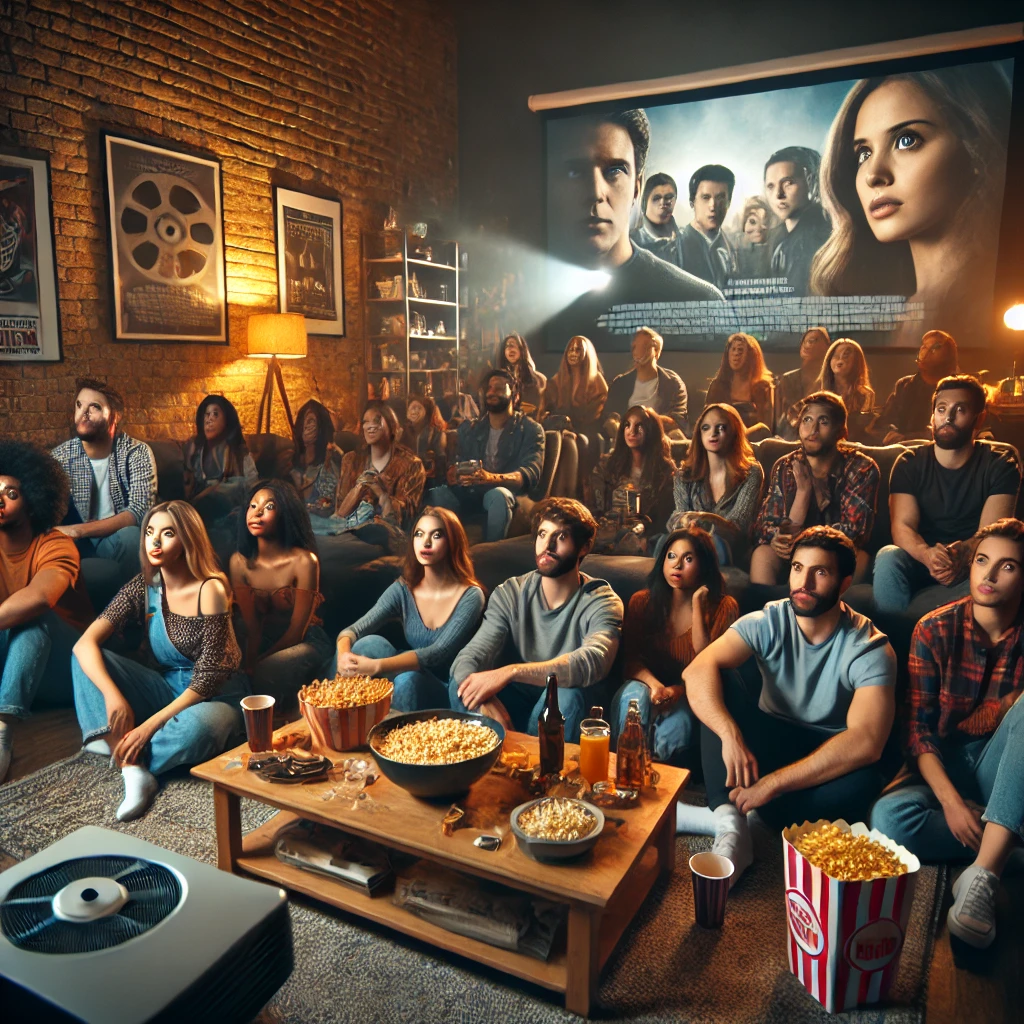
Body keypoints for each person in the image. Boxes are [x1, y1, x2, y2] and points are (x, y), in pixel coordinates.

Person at [682, 526, 896, 886]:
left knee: (863, 785)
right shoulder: (769, 619)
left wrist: (773, 785)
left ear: (844, 584)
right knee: (715, 683)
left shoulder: (869, 646)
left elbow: (866, 741)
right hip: (767, 741)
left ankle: (747, 815)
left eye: (820, 572)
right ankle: (733, 828)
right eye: (798, 568)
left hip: (823, 756)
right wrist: (730, 735)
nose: (804, 582)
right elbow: (696, 669)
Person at [870, 518, 1024, 950]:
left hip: (1005, 765)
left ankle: (984, 875)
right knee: (887, 821)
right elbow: (918, 730)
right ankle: (1007, 843)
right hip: (945, 767)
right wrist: (953, 805)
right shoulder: (934, 629)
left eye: (1008, 566)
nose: (989, 576)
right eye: (982, 561)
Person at [811, 65, 1012, 347]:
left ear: (976, 149)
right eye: (864, 153)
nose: (873, 174)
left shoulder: (1000, 304)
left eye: (906, 140)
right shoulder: (887, 319)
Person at [71, 501, 248, 821]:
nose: (154, 541)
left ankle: (119, 749)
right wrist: (113, 697)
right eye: (149, 532)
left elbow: (208, 678)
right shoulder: (144, 586)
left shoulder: (211, 588)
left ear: (187, 540)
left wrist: (148, 726)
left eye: (167, 533)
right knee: (86, 658)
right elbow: (85, 643)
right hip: (166, 687)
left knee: (200, 729)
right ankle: (134, 769)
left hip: (216, 697)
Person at [546, 108, 725, 349]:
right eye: (575, 172)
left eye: (614, 171)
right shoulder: (519, 302)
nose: (596, 193)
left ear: (637, 189)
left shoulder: (702, 302)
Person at [450, 497, 623, 742]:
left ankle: (540, 774)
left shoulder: (602, 601)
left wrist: (511, 672)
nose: (547, 545)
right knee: (464, 685)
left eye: (561, 537)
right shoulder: (511, 592)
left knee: (564, 695)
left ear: (584, 547)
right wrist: (484, 703)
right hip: (513, 705)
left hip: (564, 712)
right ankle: (497, 766)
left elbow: (592, 661)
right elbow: (470, 656)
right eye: (543, 534)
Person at [874, 375, 1020, 615]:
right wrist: (928, 555)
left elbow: (991, 535)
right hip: (921, 560)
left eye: (959, 410)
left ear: (979, 419)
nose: (948, 418)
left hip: (973, 563)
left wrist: (959, 555)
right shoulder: (909, 463)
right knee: (887, 557)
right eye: (941, 409)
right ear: (932, 416)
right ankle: (892, 641)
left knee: (995, 564)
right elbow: (902, 526)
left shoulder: (1000, 465)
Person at [0, 441, 93, 783]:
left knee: (31, 620)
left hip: (67, 669)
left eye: (10, 493)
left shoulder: (55, 543)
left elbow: (40, 597)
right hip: (18, 667)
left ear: (33, 499)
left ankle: (2, 736)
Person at [611, 526, 739, 771]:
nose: (677, 565)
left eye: (688, 559)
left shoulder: (724, 607)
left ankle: (657, 783)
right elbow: (631, 662)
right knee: (634, 698)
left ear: (705, 565)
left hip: (693, 696)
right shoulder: (642, 601)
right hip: (645, 685)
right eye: (671, 556)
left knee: (679, 722)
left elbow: (707, 665)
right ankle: (623, 771)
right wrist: (656, 687)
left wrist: (698, 606)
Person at [333, 508, 485, 711]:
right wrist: (343, 656)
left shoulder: (471, 596)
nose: (426, 542)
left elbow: (437, 653)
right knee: (369, 643)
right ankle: (335, 712)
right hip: (408, 672)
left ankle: (394, 736)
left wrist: (377, 666)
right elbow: (353, 630)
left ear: (452, 542)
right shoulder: (404, 588)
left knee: (408, 681)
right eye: (419, 534)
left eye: (437, 535)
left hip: (447, 689)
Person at [751, 392, 879, 585]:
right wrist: (777, 536)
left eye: (823, 422)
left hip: (835, 553)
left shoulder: (861, 467)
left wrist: (802, 539)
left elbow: (854, 531)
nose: (813, 429)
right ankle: (768, 611)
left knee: (859, 559)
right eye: (807, 420)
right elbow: (765, 522)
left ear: (839, 430)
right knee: (762, 554)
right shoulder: (786, 466)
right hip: (791, 553)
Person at [229, 481, 332, 709]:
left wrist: (259, 663)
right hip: (265, 640)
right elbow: (252, 626)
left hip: (306, 641)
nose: (257, 513)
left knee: (267, 670)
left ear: (285, 513)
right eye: (253, 505)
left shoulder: (304, 561)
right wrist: (249, 661)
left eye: (268, 507)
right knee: (234, 675)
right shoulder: (239, 562)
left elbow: (297, 631)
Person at [49, 378, 156, 591]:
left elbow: (138, 512)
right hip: (74, 545)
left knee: (132, 536)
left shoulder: (136, 452)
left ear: (115, 416)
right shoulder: (59, 457)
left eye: (94, 407)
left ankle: (132, 611)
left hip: (114, 540)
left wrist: (78, 530)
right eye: (79, 405)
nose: (83, 413)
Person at [428, 369, 544, 543]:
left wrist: (491, 478)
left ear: (515, 396)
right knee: (438, 494)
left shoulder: (530, 430)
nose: (491, 392)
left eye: (498, 388)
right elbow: (459, 461)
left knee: (497, 495)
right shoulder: (472, 429)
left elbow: (530, 474)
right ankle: (445, 551)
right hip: (473, 493)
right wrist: (454, 473)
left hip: (509, 495)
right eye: (489, 388)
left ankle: (491, 554)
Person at [312, 400, 426, 548]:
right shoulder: (351, 460)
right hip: (347, 533)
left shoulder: (411, 465)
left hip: (385, 539)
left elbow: (406, 520)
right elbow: (339, 513)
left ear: (393, 427)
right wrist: (359, 489)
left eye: (377, 421)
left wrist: (381, 492)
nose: (371, 426)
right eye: (366, 421)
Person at [668, 403, 764, 566]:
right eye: (706, 428)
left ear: (734, 432)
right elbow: (678, 516)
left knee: (718, 543)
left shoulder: (752, 472)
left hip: (730, 553)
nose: (713, 433)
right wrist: (685, 521)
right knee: (665, 541)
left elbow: (737, 526)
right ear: (699, 433)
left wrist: (703, 518)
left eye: (721, 427)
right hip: (687, 549)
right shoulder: (683, 474)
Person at [591, 405, 676, 555]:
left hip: (646, 538)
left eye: (639, 425)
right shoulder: (607, 466)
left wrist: (645, 535)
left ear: (651, 430)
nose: (632, 431)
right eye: (627, 425)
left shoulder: (665, 471)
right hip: (607, 534)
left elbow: (665, 518)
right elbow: (595, 506)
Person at [764, 146, 831, 297]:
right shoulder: (779, 238)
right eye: (770, 186)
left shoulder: (818, 238)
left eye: (788, 183)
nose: (778, 194)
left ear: (812, 182)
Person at [183, 395, 258, 524]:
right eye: (206, 415)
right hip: (201, 510)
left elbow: (253, 486)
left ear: (227, 420)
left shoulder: (239, 452)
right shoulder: (195, 450)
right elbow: (188, 488)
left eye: (215, 414)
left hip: (232, 509)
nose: (209, 420)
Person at [604, 326, 690, 437]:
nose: (638, 352)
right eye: (635, 347)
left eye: (645, 346)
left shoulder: (673, 383)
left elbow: (678, 420)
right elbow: (610, 415)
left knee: (676, 435)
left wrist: (644, 420)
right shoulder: (620, 383)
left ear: (657, 351)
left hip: (660, 436)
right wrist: (614, 423)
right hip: (627, 438)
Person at [877, 329, 959, 443]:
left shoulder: (958, 389)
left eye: (936, 347)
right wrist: (891, 433)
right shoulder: (904, 385)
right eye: (924, 346)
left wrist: (909, 438)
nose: (925, 350)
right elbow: (884, 421)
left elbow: (954, 428)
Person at [679, 164, 737, 292]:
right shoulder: (676, 248)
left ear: (729, 202)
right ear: (692, 202)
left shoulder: (733, 249)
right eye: (706, 198)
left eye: (721, 198)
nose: (713, 206)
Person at [704, 333, 774, 436]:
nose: (736, 354)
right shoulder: (717, 385)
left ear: (752, 355)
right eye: (733, 349)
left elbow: (766, 426)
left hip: (752, 442)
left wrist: (743, 435)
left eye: (740, 350)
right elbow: (706, 421)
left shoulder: (762, 387)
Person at [813, 337, 877, 443]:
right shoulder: (819, 394)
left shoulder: (864, 394)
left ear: (856, 362)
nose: (840, 360)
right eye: (836, 356)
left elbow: (860, 430)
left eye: (846, 356)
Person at [773, 327, 832, 441]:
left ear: (827, 347)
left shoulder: (830, 379)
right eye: (804, 341)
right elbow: (780, 418)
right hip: (790, 433)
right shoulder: (787, 379)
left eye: (813, 340)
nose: (807, 345)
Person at [290, 399, 340, 512]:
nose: (306, 427)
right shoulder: (289, 465)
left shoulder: (328, 470)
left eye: (311, 421)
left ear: (321, 427)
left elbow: (327, 507)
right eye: (304, 420)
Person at [629, 172, 685, 269]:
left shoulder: (687, 238)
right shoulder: (631, 242)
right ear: (645, 201)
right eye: (657, 198)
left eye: (668, 198)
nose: (663, 203)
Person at [493, 332, 546, 415]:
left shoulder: (539, 379)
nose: (510, 349)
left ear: (521, 349)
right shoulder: (499, 379)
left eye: (513, 345)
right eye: (507, 346)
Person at [403, 393, 448, 489]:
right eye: (412, 408)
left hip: (428, 482)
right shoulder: (402, 432)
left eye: (419, 408)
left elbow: (441, 462)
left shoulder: (436, 434)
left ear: (426, 413)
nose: (414, 411)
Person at [734, 195, 777, 279]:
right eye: (752, 222)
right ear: (744, 225)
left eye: (764, 222)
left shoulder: (776, 250)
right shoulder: (732, 250)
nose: (758, 228)